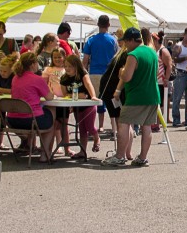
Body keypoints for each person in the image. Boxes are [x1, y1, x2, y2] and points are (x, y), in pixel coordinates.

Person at [103, 27, 158, 166]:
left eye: (126, 42)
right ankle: (142, 157)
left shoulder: (133, 55)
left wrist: (121, 71)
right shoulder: (152, 52)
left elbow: (126, 77)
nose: (125, 45)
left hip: (136, 96)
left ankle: (120, 156)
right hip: (152, 95)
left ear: (132, 40)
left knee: (124, 123)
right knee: (147, 126)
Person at [8, 51, 56, 160]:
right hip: (31, 120)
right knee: (51, 115)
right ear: (32, 65)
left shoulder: (15, 78)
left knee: (42, 116)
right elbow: (49, 97)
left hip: (13, 120)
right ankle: (45, 153)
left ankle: (32, 146)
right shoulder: (37, 79)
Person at [81, 15, 118, 137]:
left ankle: (96, 126)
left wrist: (83, 74)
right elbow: (116, 58)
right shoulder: (113, 40)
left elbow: (85, 60)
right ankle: (114, 129)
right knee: (112, 101)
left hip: (94, 74)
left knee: (94, 101)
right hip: (109, 74)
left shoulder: (91, 40)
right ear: (108, 25)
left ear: (98, 24)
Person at [60, 54, 98, 159]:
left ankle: (96, 138)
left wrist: (93, 96)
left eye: (70, 66)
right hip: (77, 107)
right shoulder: (64, 78)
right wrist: (75, 96)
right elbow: (65, 95)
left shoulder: (83, 75)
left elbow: (89, 86)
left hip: (88, 106)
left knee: (90, 127)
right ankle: (83, 151)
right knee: (81, 129)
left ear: (76, 66)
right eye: (65, 66)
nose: (67, 68)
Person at [169, 26, 187, 127]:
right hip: (181, 73)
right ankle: (176, 120)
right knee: (177, 98)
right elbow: (173, 59)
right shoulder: (178, 46)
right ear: (184, 34)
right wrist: (186, 58)